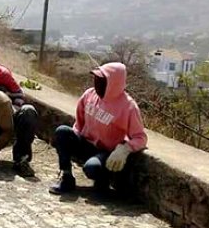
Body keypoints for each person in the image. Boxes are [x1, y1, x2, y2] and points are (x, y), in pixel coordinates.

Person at [49, 62, 148, 195]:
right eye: (96, 78)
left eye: (101, 79)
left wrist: (125, 149)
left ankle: (103, 180)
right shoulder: (90, 94)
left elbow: (140, 137)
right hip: (85, 143)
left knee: (92, 168)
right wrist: (69, 143)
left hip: (105, 152)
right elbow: (79, 123)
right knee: (62, 131)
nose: (97, 82)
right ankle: (66, 177)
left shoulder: (128, 107)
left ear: (113, 82)